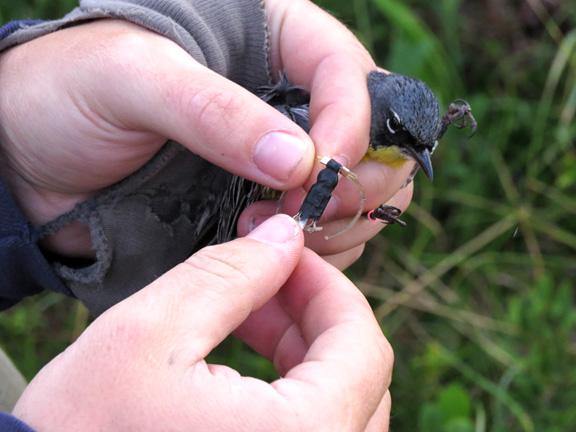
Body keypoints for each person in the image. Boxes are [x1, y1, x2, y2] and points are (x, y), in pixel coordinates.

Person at [0, 0, 416, 430]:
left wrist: (13, 149)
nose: (413, 156)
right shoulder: (333, 118)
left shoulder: (362, 131)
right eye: (402, 138)